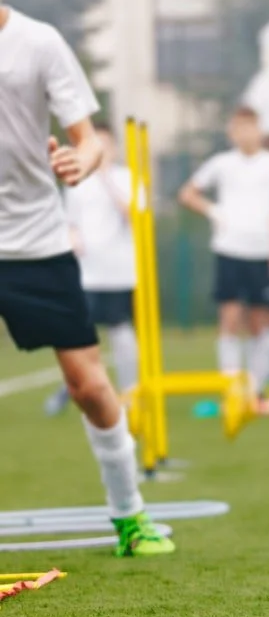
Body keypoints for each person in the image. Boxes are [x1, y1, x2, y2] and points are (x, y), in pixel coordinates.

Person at [0, 0, 173, 555]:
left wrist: (83, 161)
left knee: (89, 386)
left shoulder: (38, 42)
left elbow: (89, 138)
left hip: (35, 242)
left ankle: (130, 516)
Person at [179, 106, 269, 414]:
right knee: (230, 319)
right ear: (231, 132)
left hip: (261, 251)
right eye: (239, 127)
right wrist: (213, 211)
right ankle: (230, 390)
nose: (245, 133)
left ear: (259, 129)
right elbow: (188, 194)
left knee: (258, 322)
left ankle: (254, 392)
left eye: (250, 126)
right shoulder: (221, 164)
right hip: (229, 248)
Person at [43, 125, 137, 416]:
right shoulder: (76, 182)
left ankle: (130, 392)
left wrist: (107, 177)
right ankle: (73, 387)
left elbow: (133, 215)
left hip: (120, 271)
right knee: (78, 335)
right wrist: (72, 238)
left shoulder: (128, 179)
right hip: (86, 272)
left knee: (121, 330)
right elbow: (69, 220)